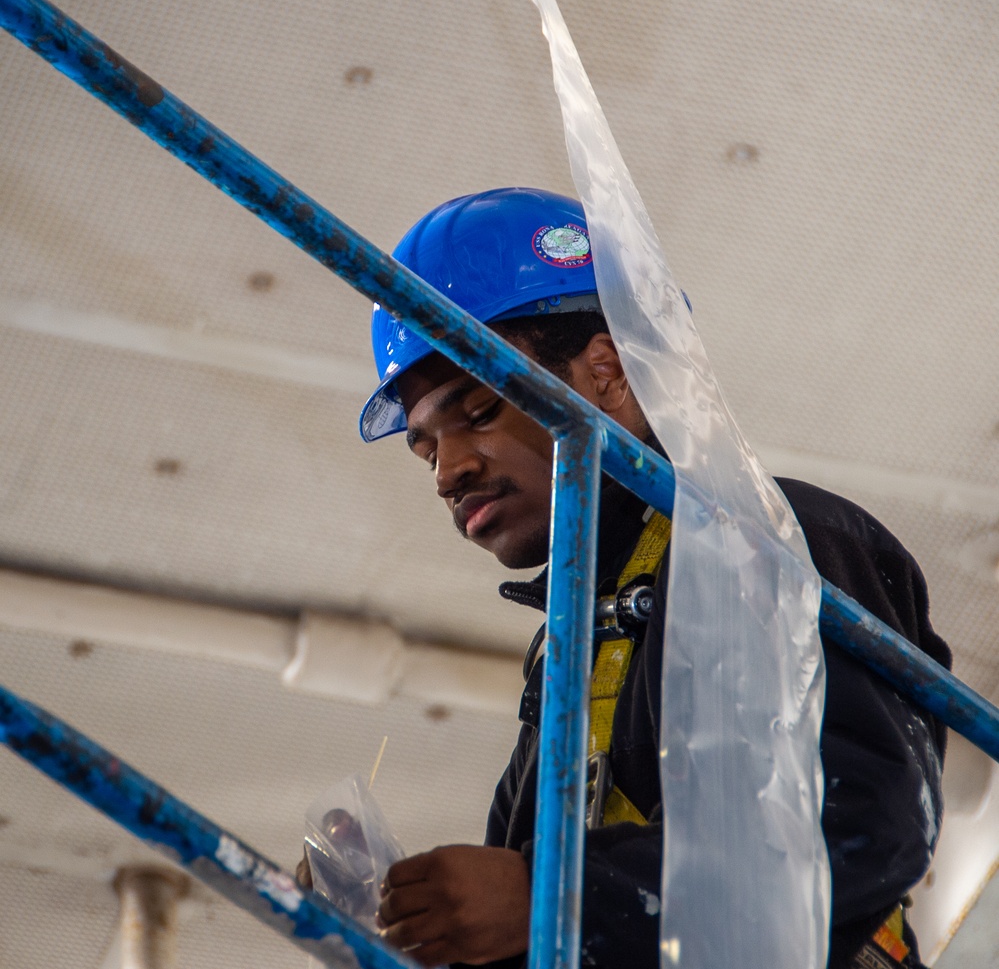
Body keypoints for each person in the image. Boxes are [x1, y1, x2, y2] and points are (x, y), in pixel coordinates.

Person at [304, 187, 951, 969]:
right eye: (424, 449)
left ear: (604, 371)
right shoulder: (570, 650)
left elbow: (865, 826)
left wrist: (551, 897)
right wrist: (412, 928)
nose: (449, 470)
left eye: (476, 411)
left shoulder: (768, 539)